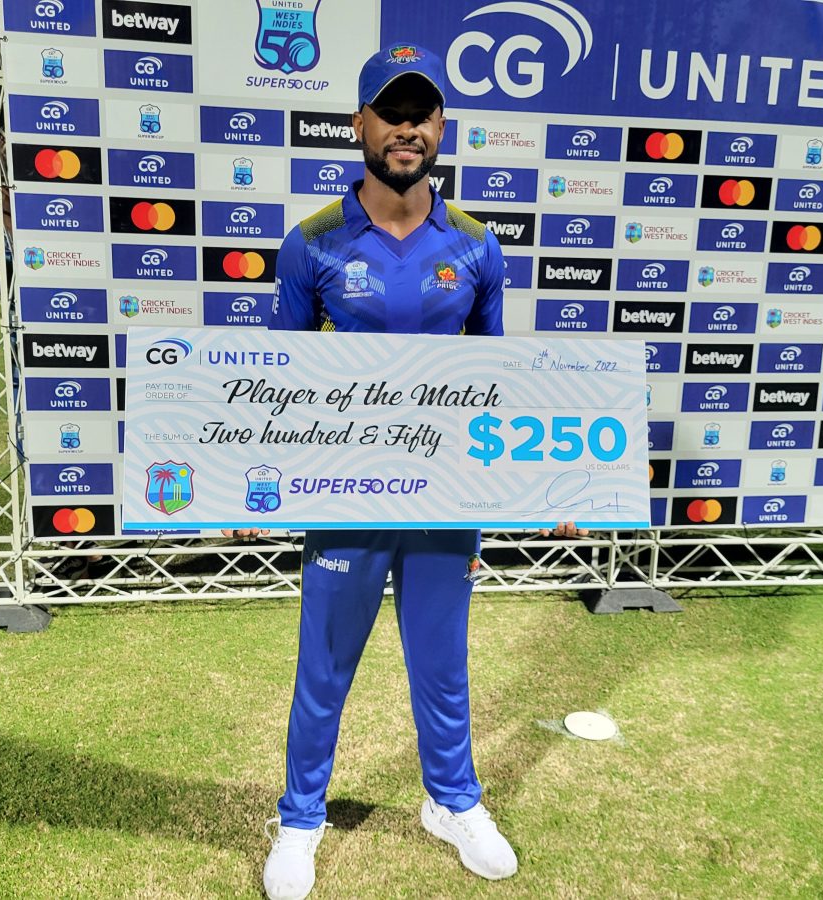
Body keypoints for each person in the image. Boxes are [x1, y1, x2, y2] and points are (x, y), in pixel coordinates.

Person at [232, 44, 584, 900]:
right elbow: (276, 378)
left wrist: (551, 486)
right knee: (324, 664)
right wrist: (252, 478)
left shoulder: (475, 244)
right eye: (390, 112)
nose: (406, 129)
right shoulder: (311, 241)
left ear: (440, 128)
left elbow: (501, 383)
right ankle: (302, 818)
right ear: (359, 125)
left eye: (421, 114)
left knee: (442, 660)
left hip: (444, 497)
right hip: (345, 496)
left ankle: (452, 802)